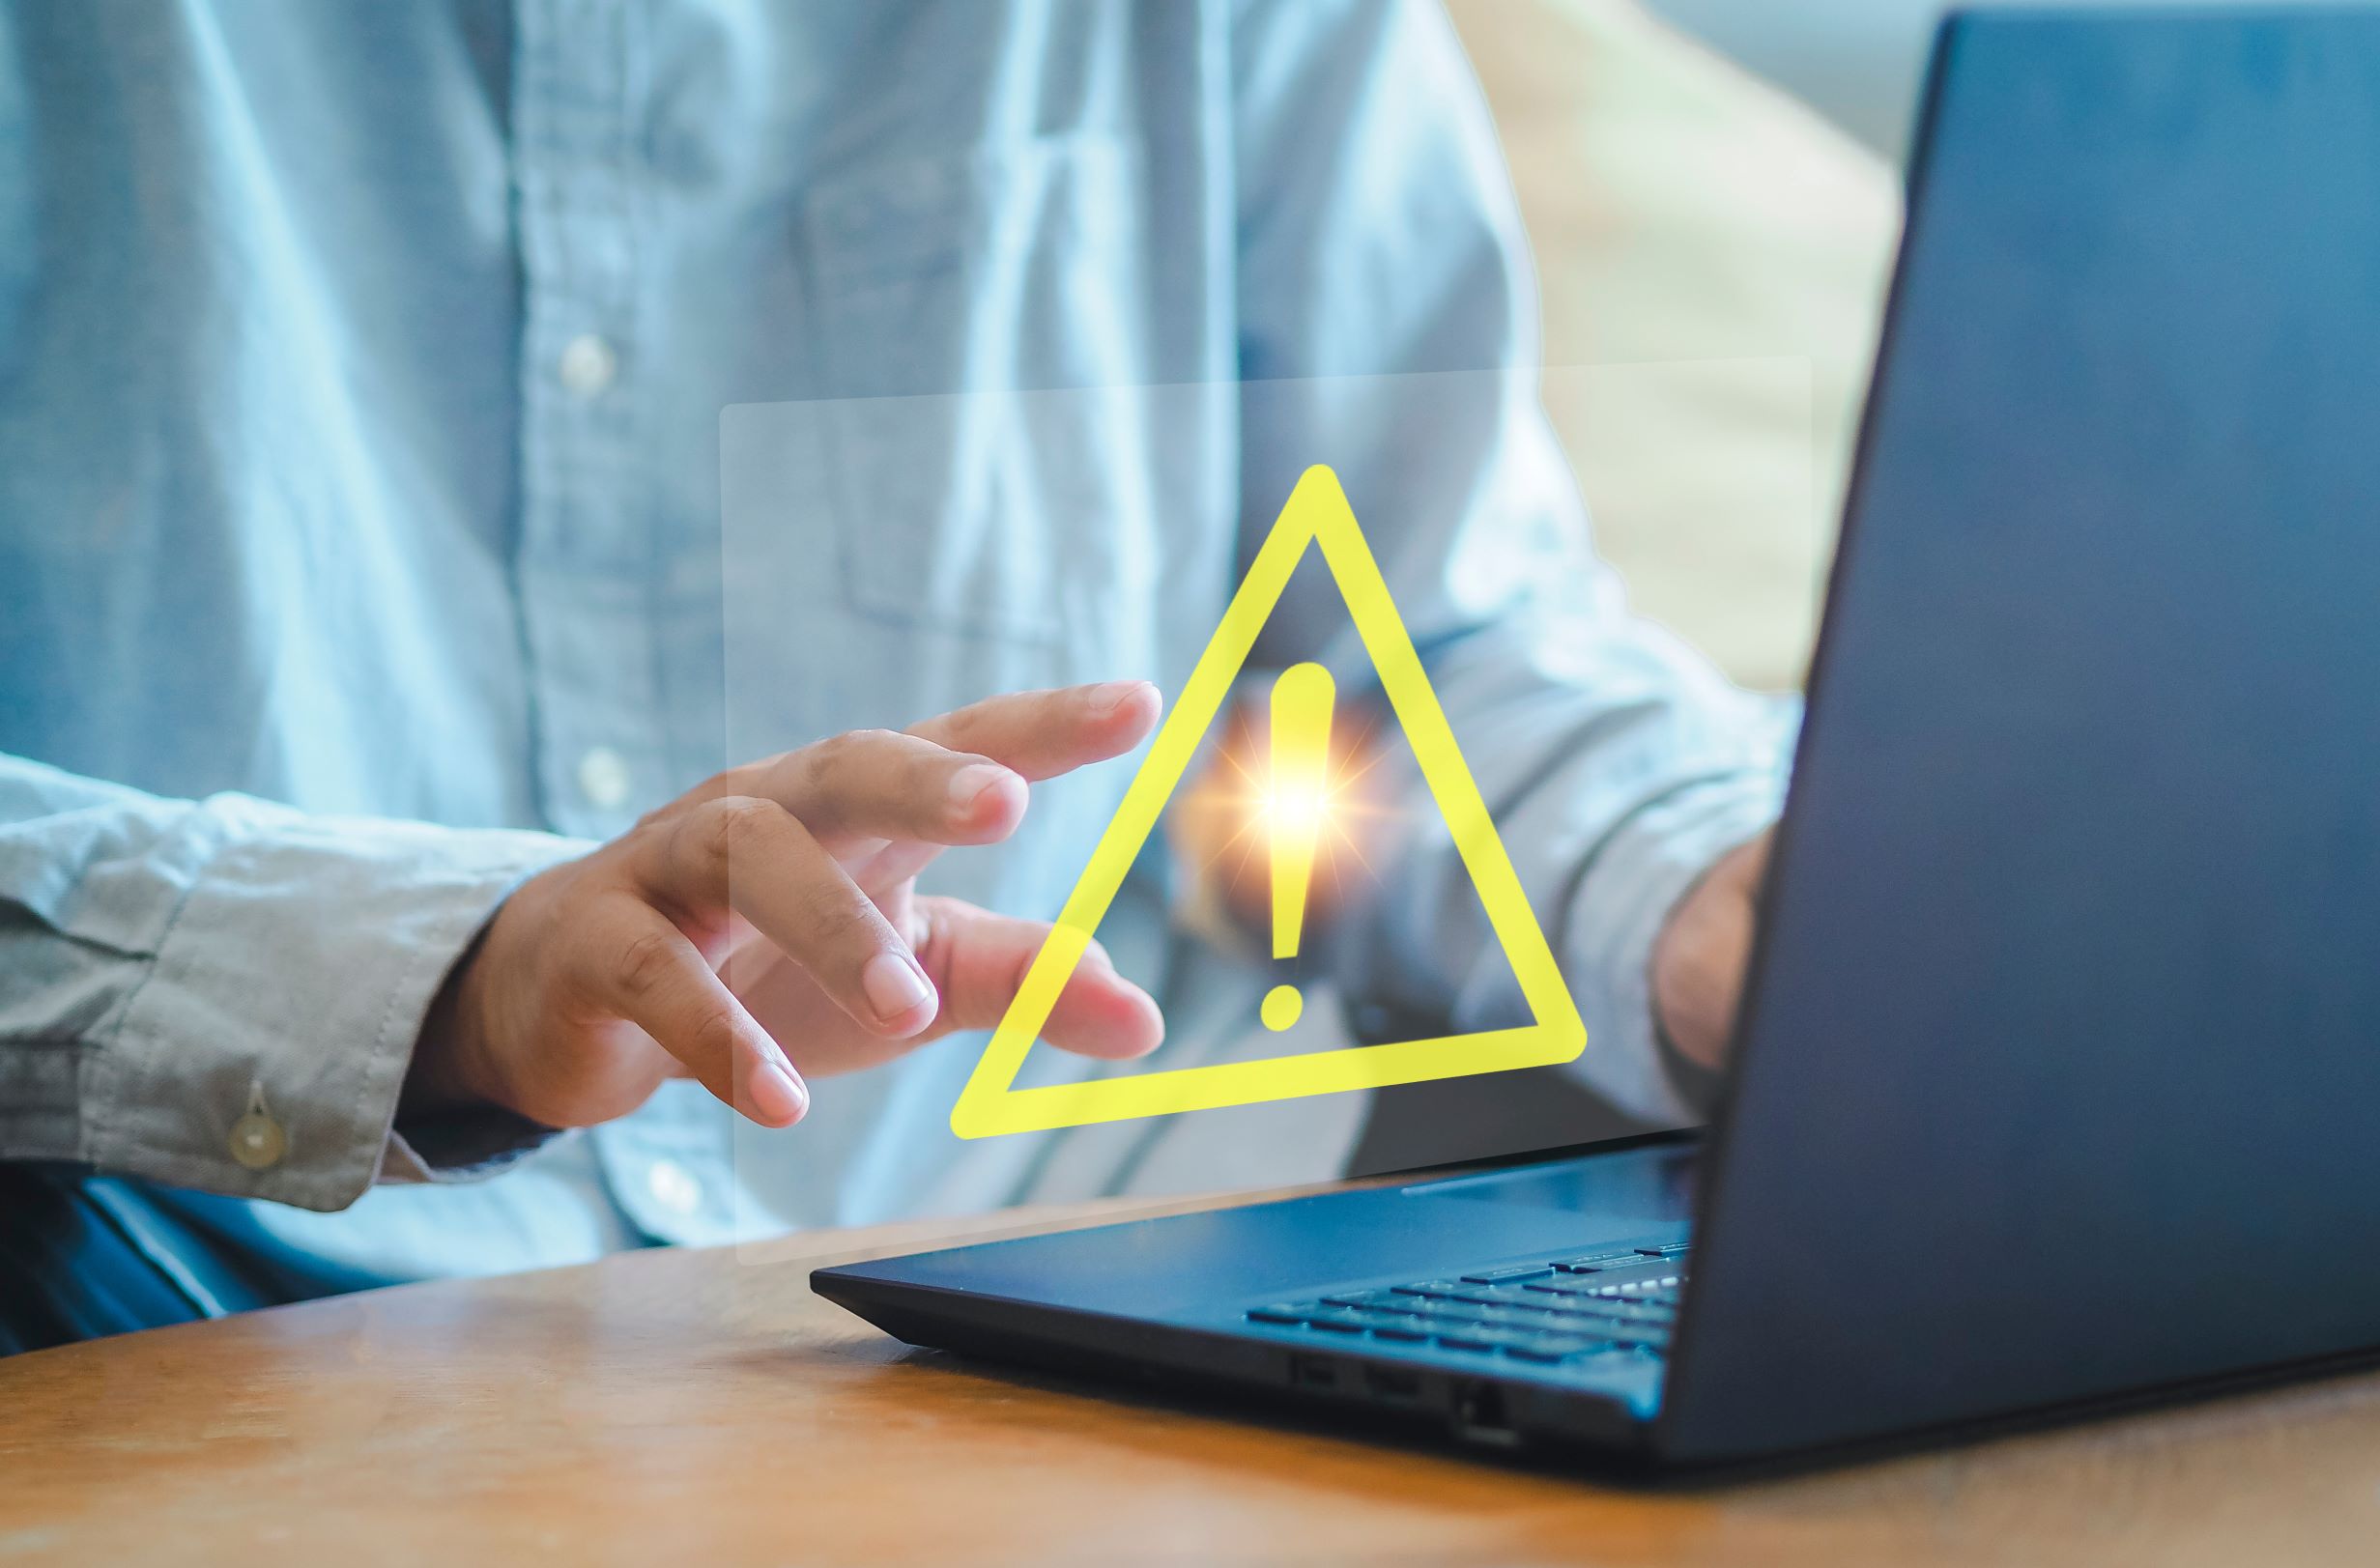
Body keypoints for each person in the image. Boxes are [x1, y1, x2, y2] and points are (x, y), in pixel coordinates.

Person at [0, 0, 1784, 1354]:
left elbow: (1409, 655)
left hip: (1112, 1275)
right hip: (200, 1293)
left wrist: (1709, 901)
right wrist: (455, 980)